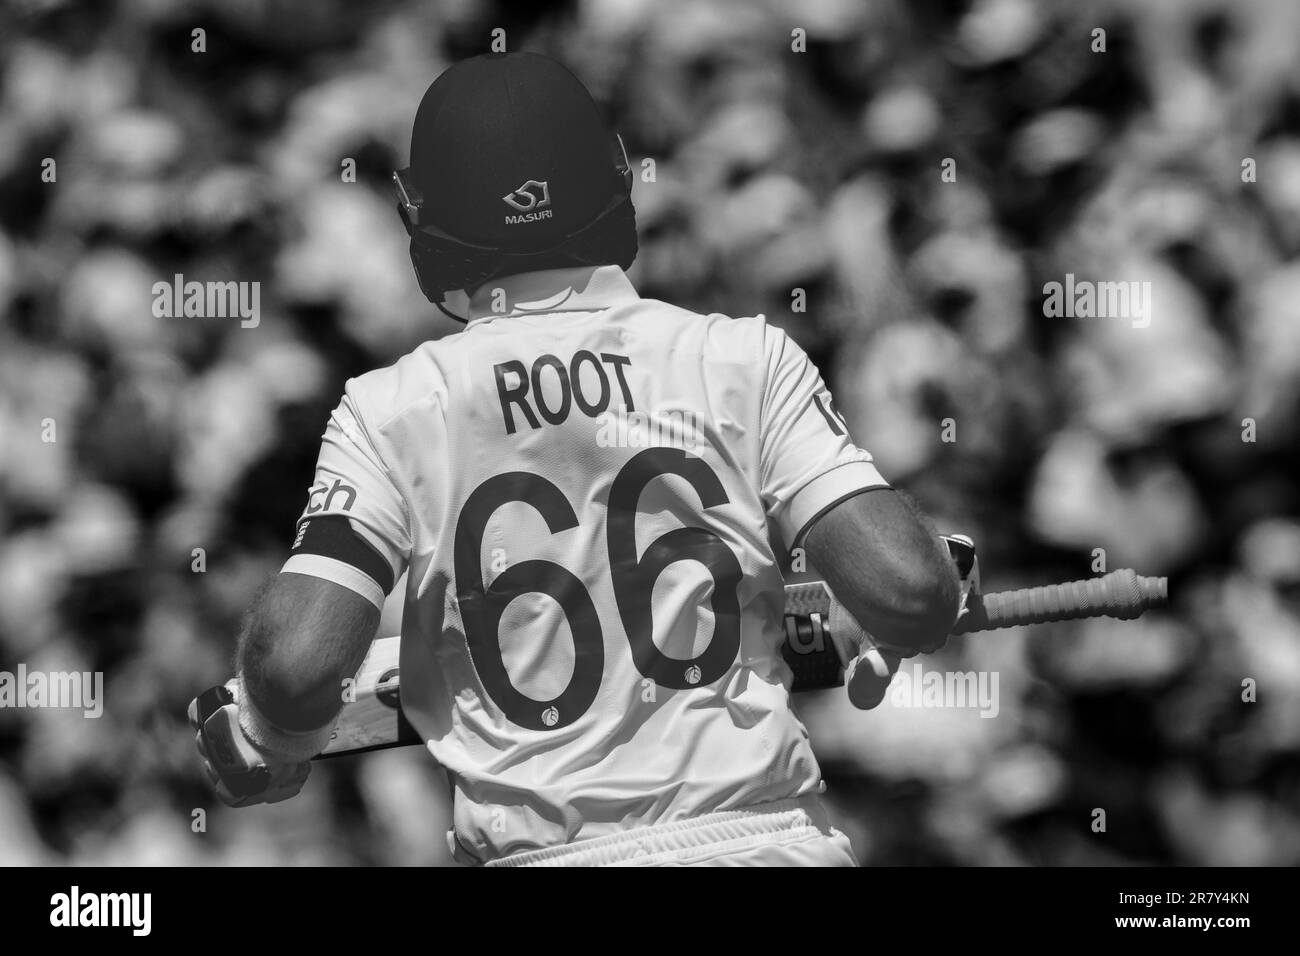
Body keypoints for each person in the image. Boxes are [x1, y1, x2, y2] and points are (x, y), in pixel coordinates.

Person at [191, 51, 960, 866]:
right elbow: (912, 591)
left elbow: (300, 669)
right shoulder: (742, 357)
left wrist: (264, 737)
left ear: (421, 215)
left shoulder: (393, 411)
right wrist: (878, 612)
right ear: (616, 181)